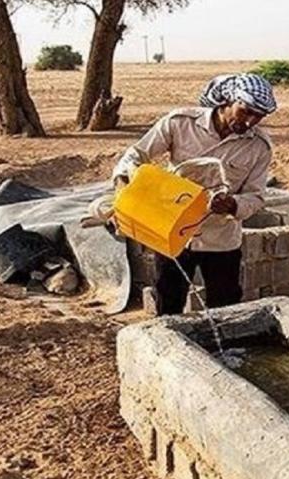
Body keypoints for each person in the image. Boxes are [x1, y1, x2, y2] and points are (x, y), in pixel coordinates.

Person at [112, 73, 277, 314]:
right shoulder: (180, 123)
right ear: (227, 101)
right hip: (173, 235)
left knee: (226, 308)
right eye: (245, 111)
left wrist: (232, 205)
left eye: (259, 115)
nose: (251, 121)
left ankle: (225, 352)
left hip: (221, 240)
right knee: (168, 301)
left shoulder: (259, 146)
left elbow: (256, 196)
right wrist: (123, 184)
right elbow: (135, 155)